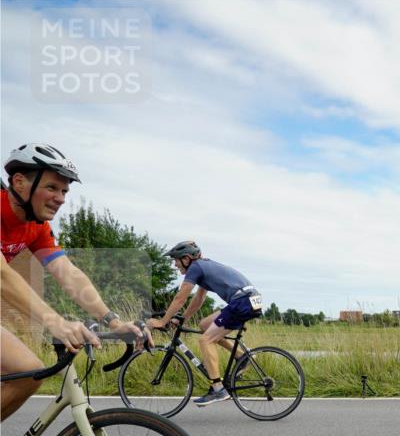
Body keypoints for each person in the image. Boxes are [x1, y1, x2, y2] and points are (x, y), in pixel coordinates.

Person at [1, 143, 144, 420]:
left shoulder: (36, 227)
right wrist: (54, 321)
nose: (61, 198)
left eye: (65, 191)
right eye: (52, 188)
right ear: (19, 182)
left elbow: (68, 273)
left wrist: (113, 321)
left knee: (29, 372)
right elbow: (2, 275)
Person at [147, 241, 262, 406]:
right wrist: (183, 318)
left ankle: (218, 389)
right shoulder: (204, 267)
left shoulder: (196, 268)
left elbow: (180, 298)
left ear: (186, 259)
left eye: (176, 260)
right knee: (204, 325)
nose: (175, 264)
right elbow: (199, 298)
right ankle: (241, 356)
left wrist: (162, 321)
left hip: (242, 301)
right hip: (248, 299)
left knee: (205, 340)